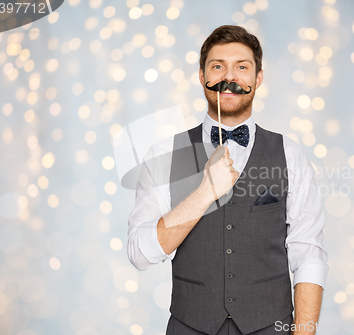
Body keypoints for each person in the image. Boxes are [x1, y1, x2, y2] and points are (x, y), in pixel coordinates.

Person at [127, 25, 329, 335]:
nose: (229, 77)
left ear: (257, 78)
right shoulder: (167, 154)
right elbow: (140, 254)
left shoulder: (289, 153)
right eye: (218, 66)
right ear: (201, 75)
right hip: (189, 326)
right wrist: (204, 192)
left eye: (242, 67)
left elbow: (308, 253)